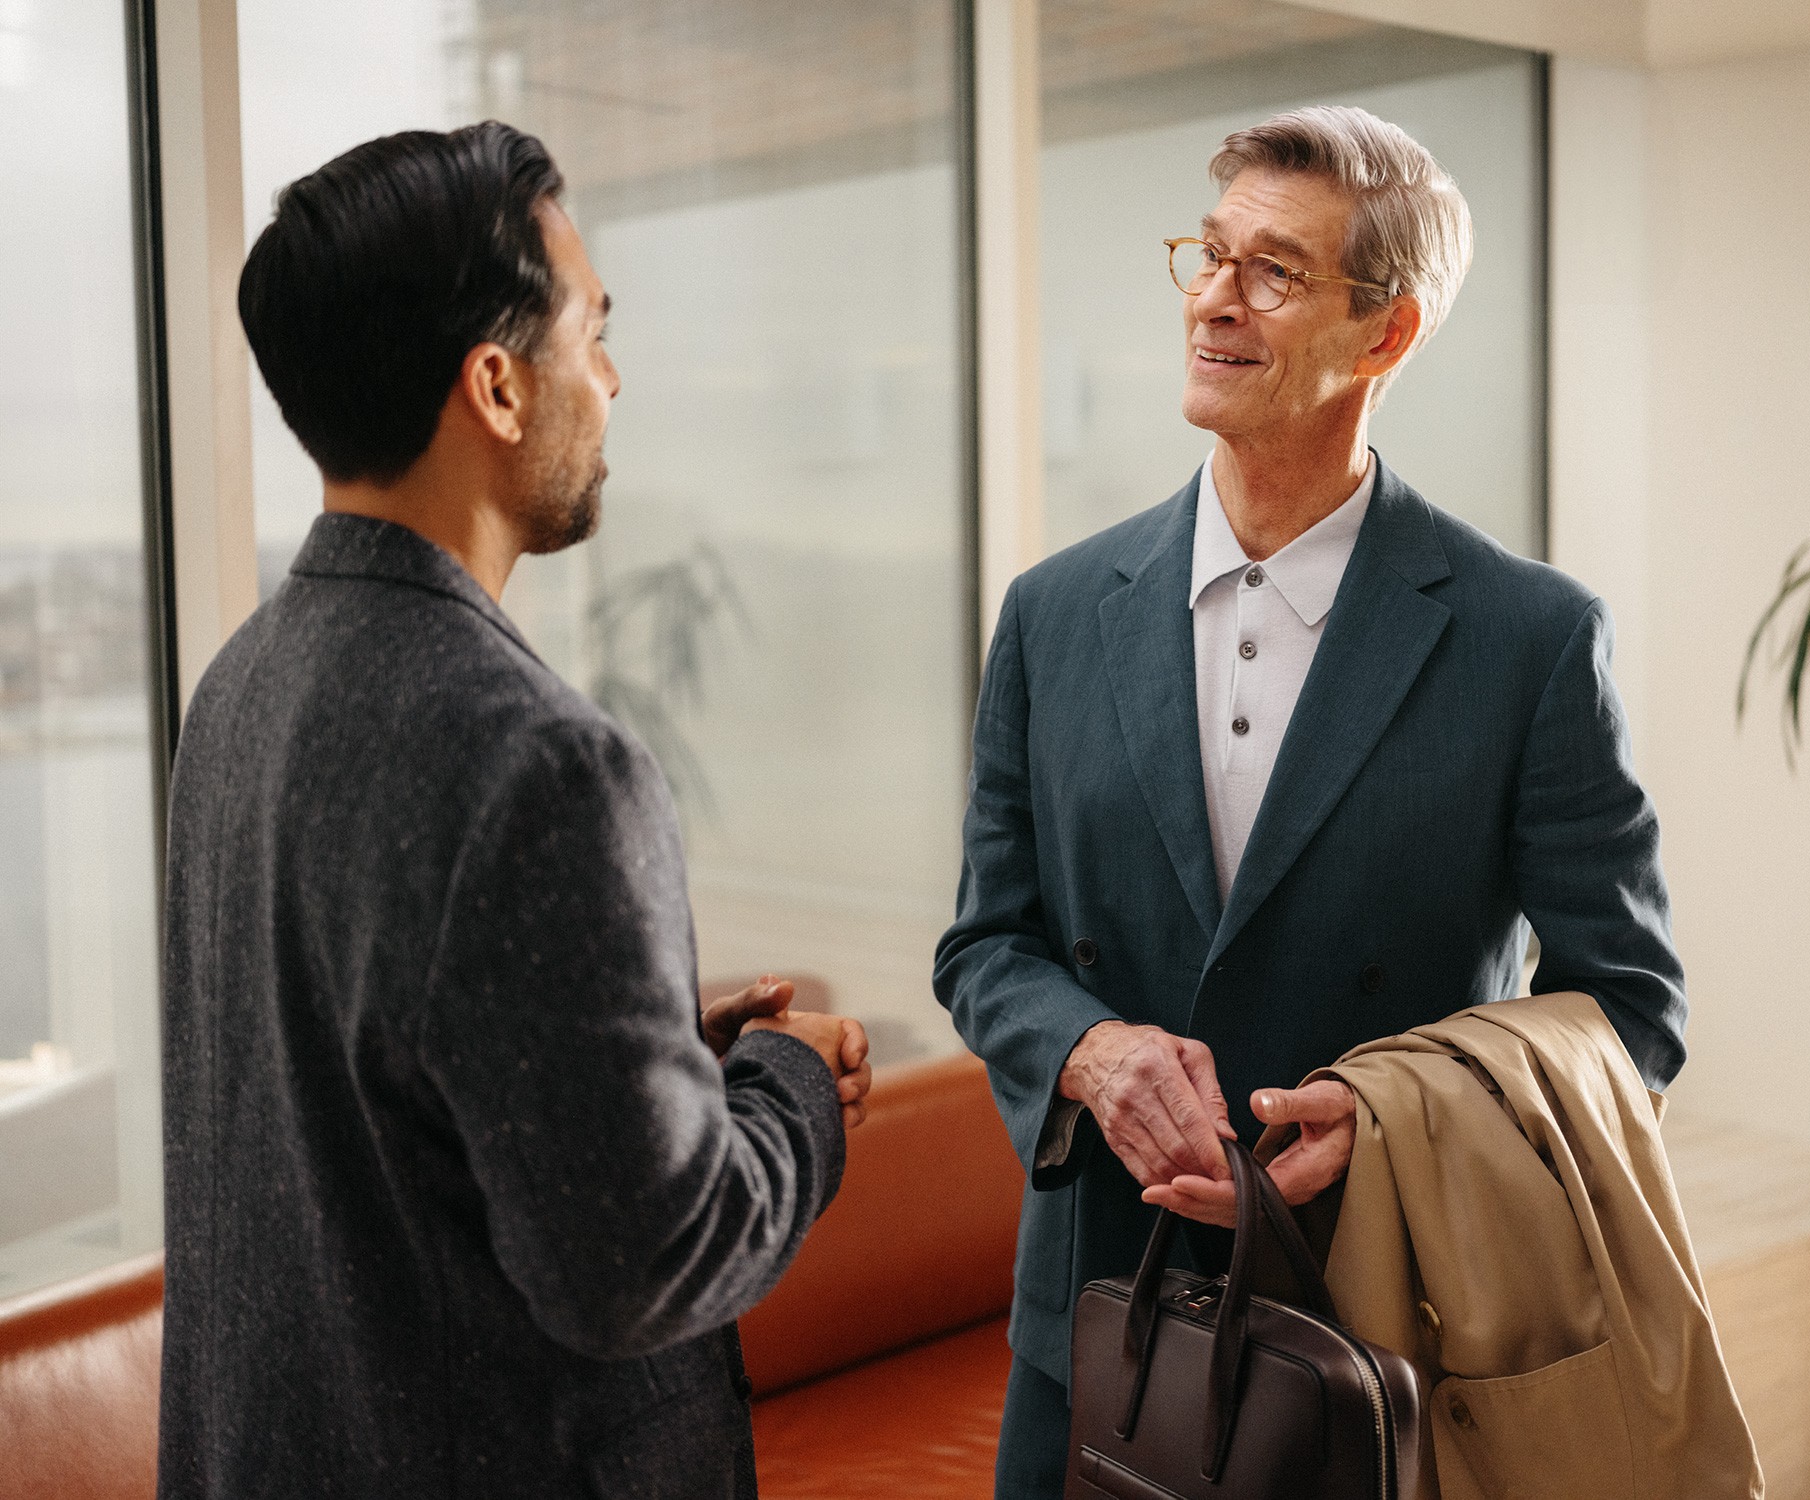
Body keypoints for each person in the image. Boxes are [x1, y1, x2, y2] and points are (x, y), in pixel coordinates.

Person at [934, 104, 1687, 1498]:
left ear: (1385, 334)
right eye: (1209, 256)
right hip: (1096, 1327)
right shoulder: (1050, 614)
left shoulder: (1529, 639)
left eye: (1272, 272)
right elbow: (987, 946)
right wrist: (1093, 1054)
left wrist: (1387, 1123)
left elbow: (1632, 1018)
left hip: (1382, 1340)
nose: (1214, 299)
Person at [157, 122, 870, 1500]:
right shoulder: (540, 768)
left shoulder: (239, 691)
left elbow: (363, 1107)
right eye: (592, 331)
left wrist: (646, 1067)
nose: (610, 380)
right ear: (495, 384)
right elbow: (642, 1269)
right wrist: (788, 1092)